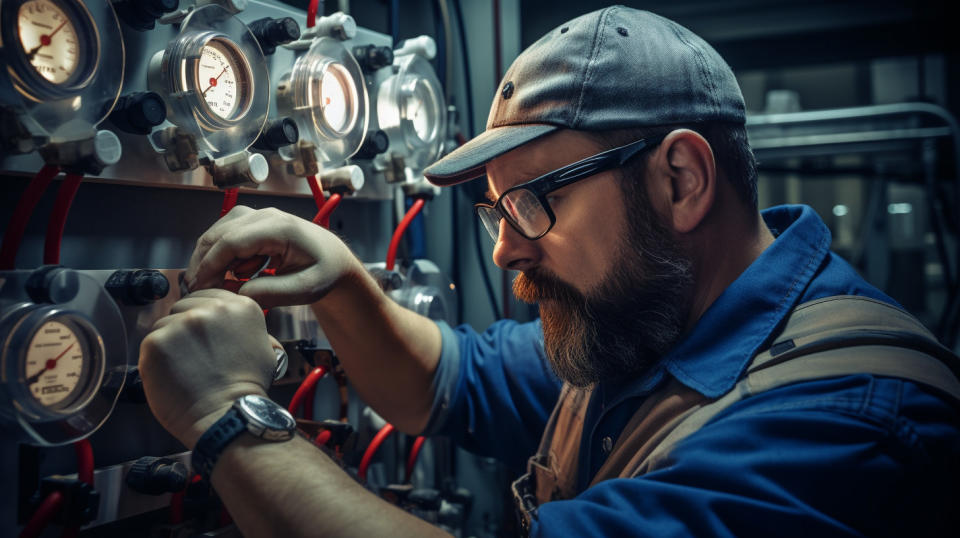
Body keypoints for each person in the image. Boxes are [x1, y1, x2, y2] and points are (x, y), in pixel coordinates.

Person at [139, 6, 960, 537]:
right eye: (497, 212)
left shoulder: (841, 420)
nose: (504, 249)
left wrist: (228, 417)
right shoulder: (657, 319)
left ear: (681, 180)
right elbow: (451, 381)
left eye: (533, 202)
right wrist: (346, 282)